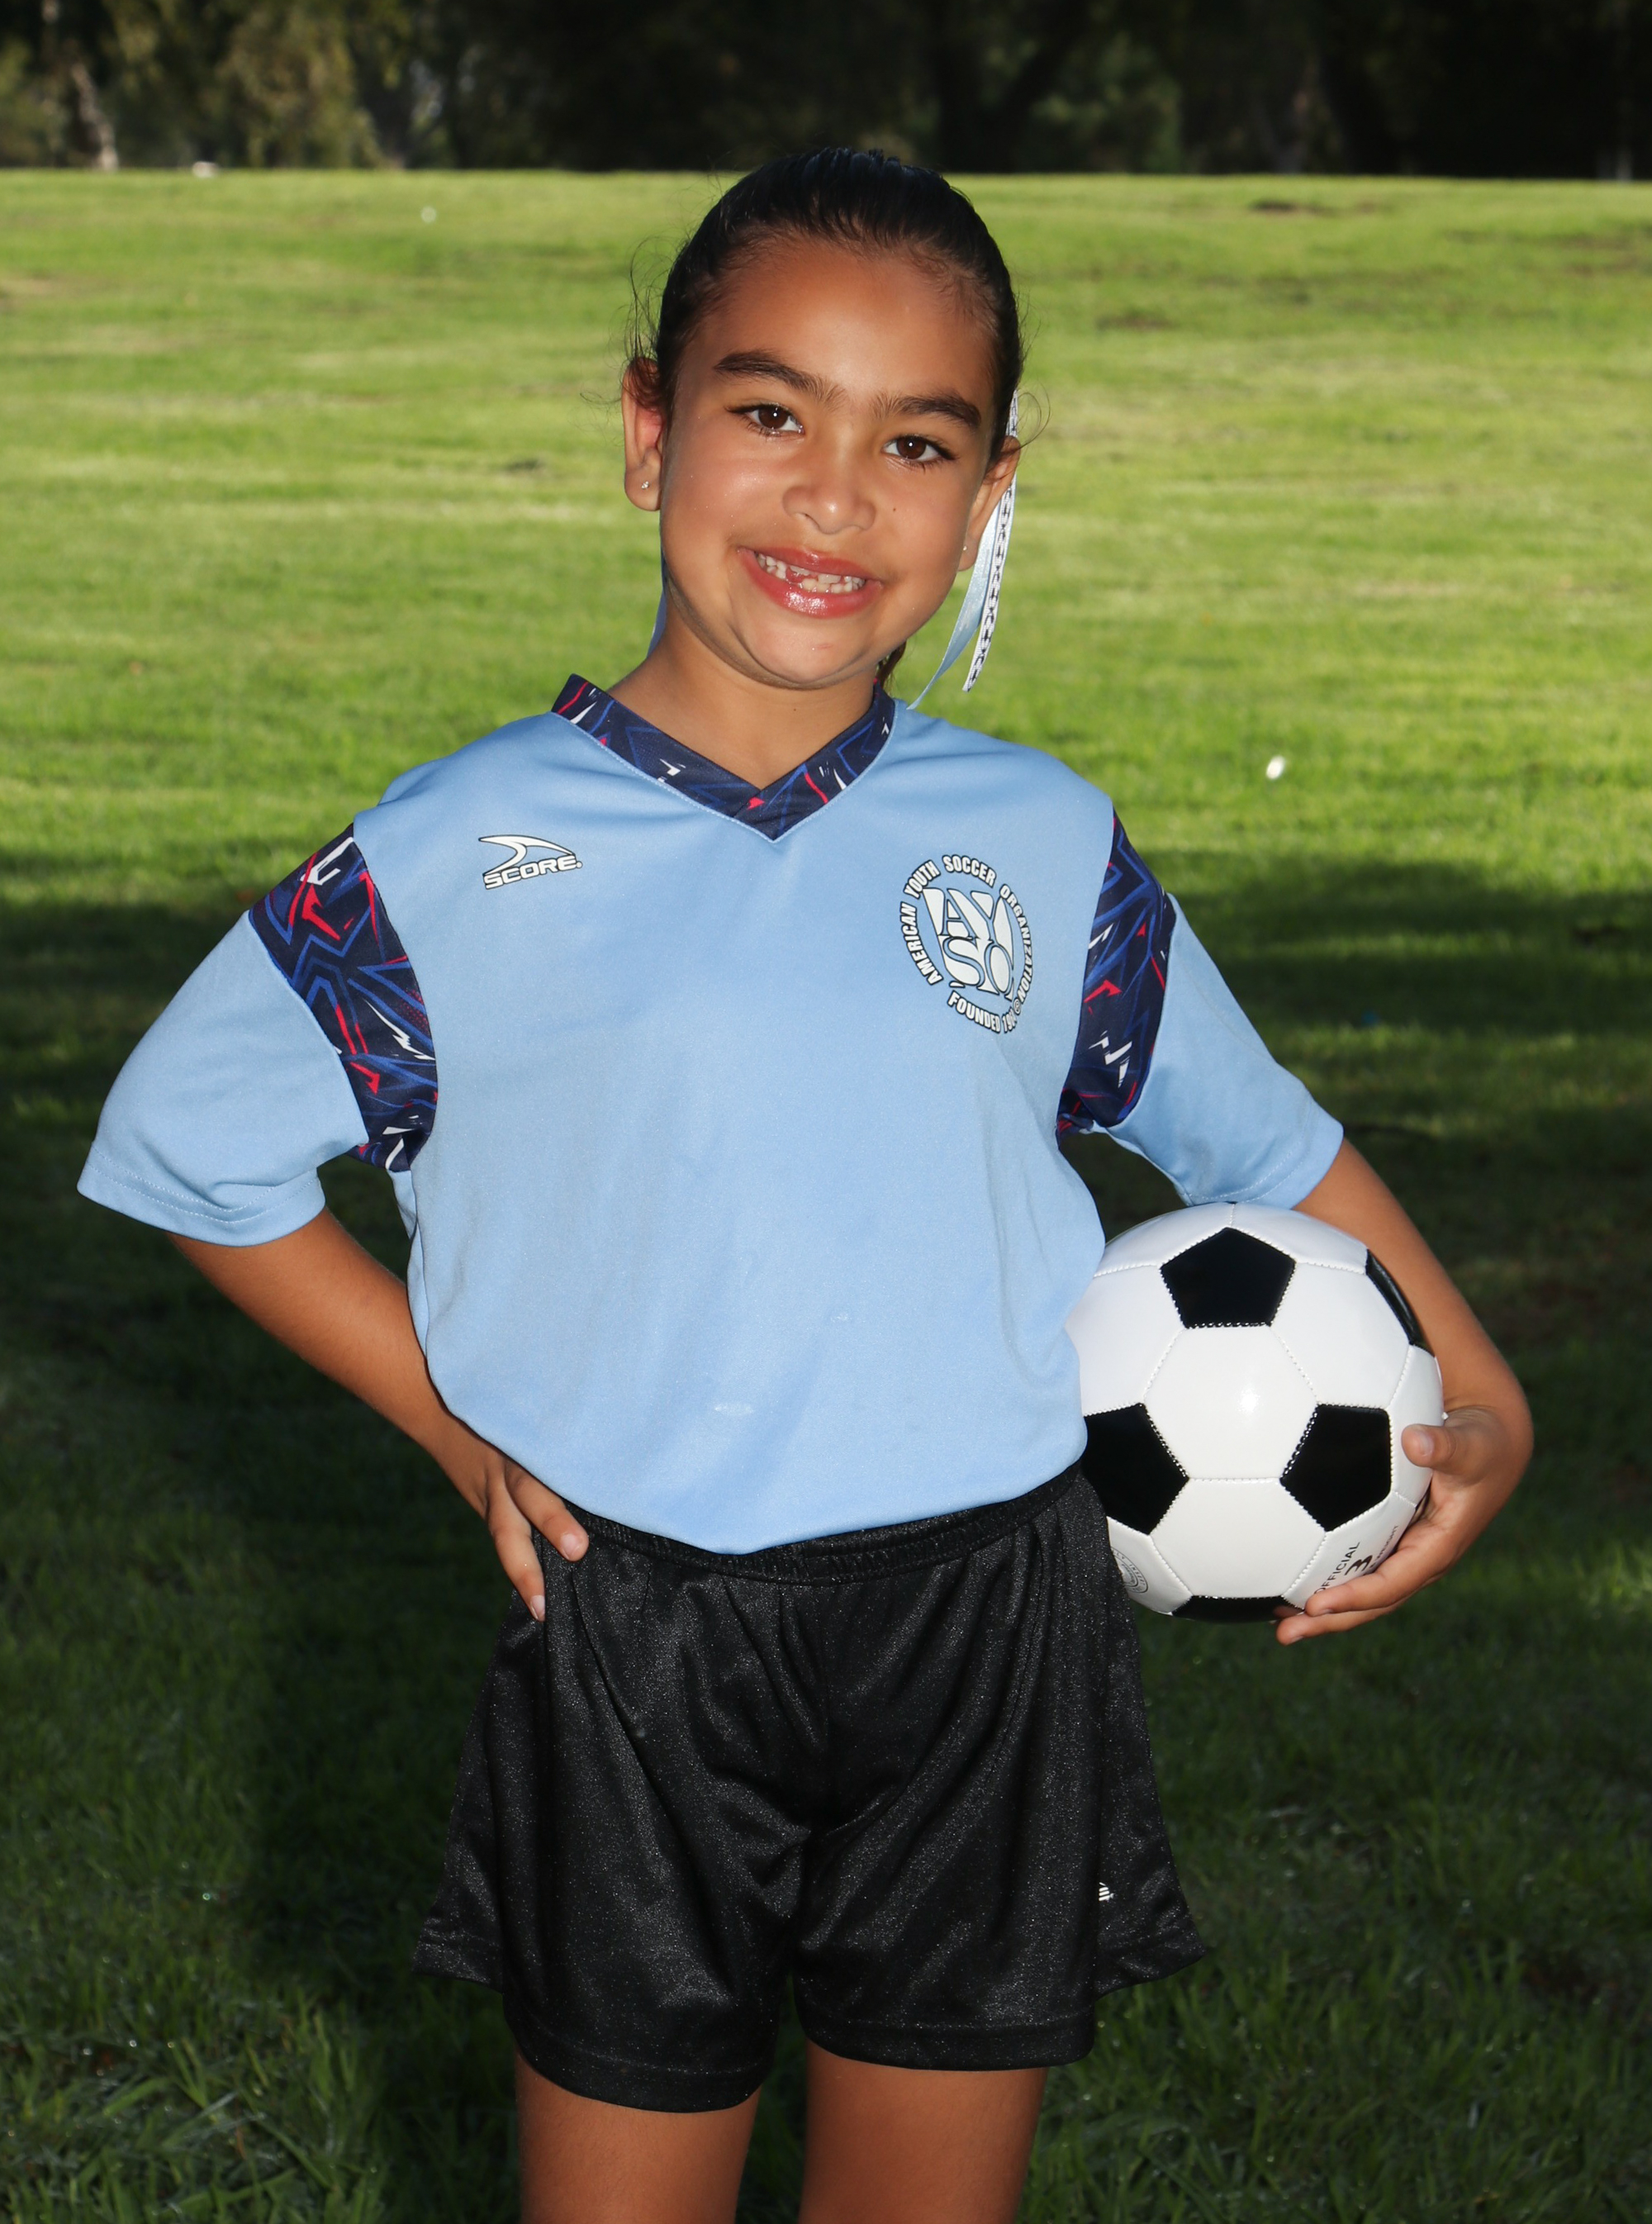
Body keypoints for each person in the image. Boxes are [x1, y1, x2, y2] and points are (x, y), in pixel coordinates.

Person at [78, 150, 1531, 2224]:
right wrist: (454, 1418)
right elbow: (190, 1148)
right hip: (635, 1627)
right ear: (647, 423)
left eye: (914, 442)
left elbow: (1262, 1139)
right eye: (770, 411)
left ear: (991, 490)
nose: (834, 497)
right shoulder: (458, 849)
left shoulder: (1039, 841)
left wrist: (1486, 1392)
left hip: (989, 1629)